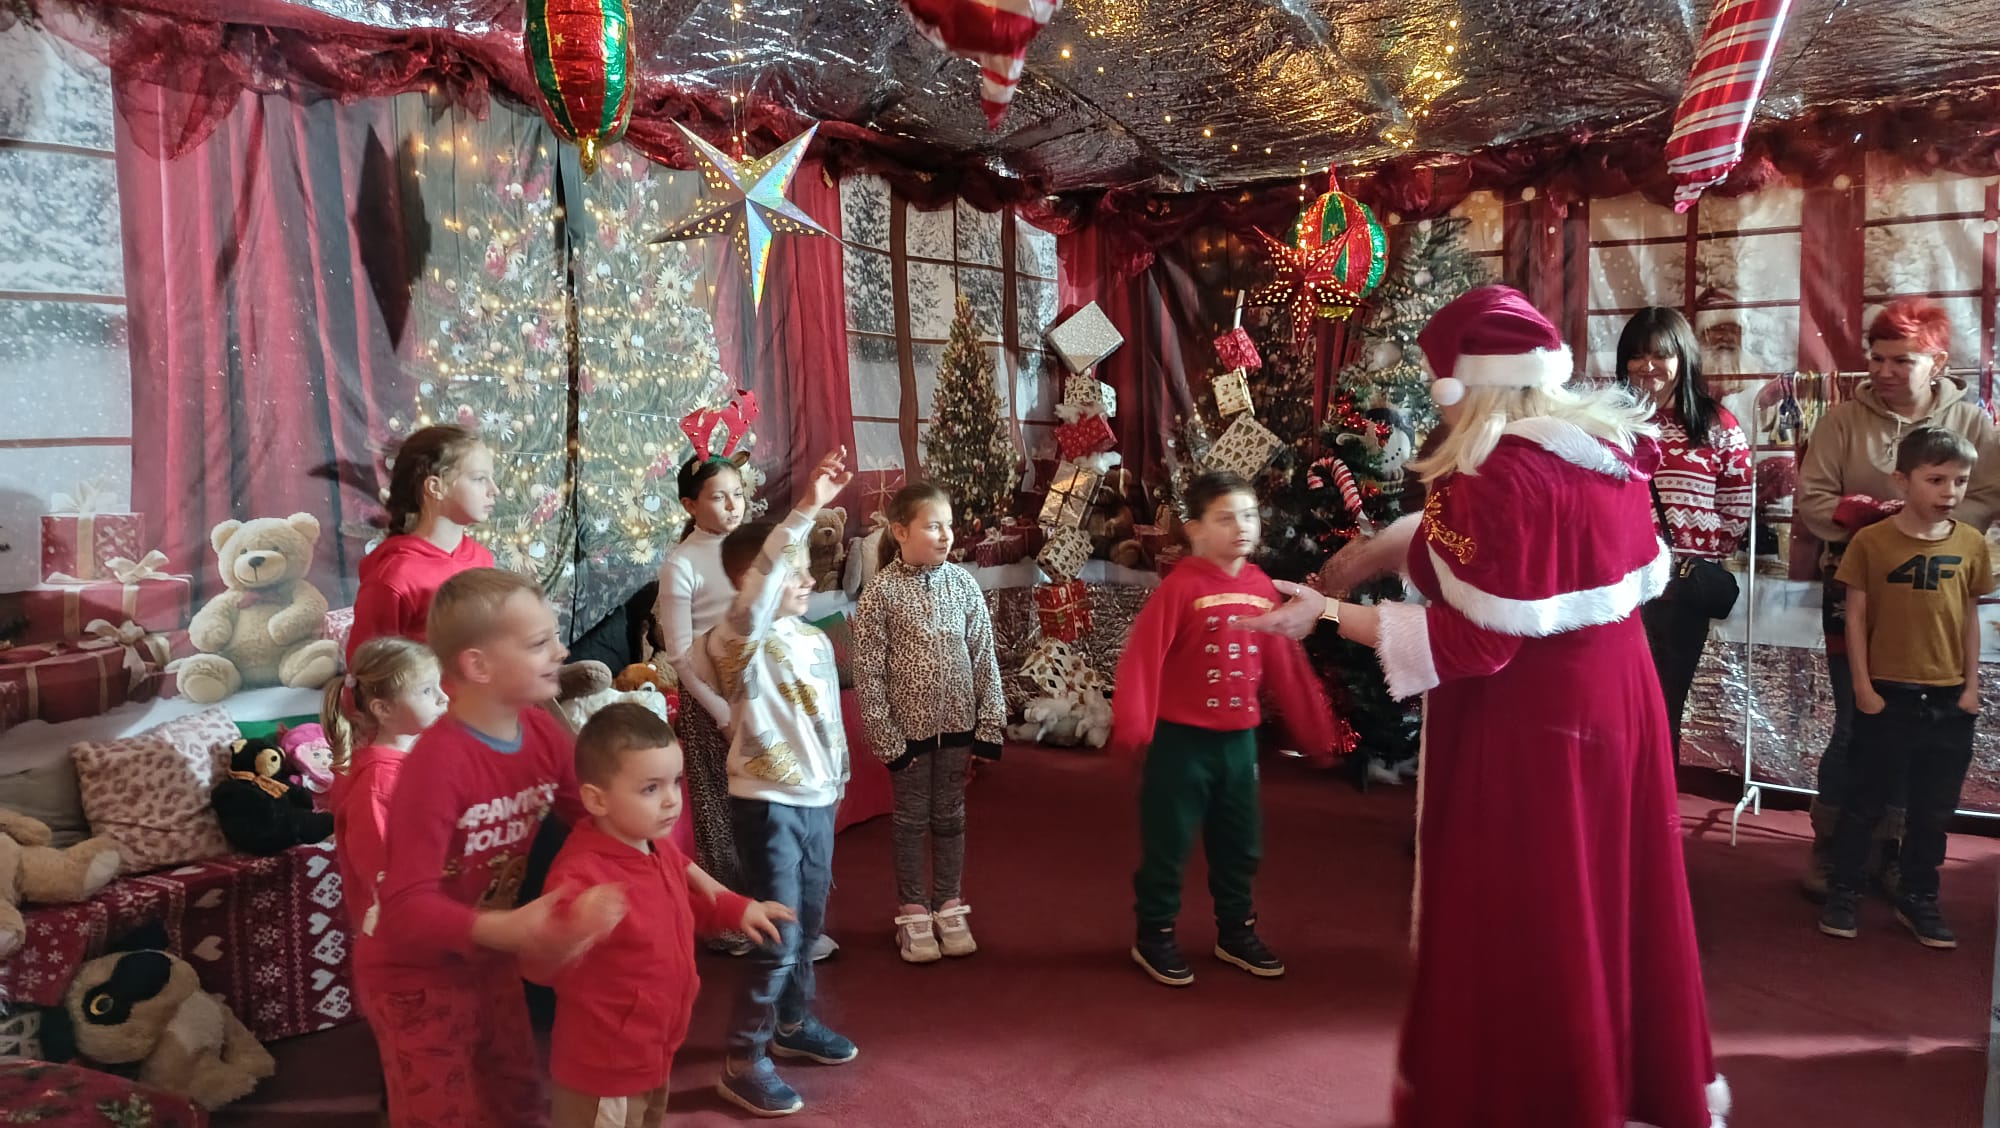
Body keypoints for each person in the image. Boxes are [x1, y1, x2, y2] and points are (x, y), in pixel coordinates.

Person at [1242, 286, 1726, 1128]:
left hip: (1533, 724)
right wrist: (1369, 556)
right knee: (1612, 901)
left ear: (1464, 385)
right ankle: (1623, 1086)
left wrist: (1324, 614)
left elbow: (1475, 640)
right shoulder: (1603, 447)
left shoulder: (1497, 476)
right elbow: (1475, 553)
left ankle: (1541, 1099)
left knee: (1532, 915)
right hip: (1616, 703)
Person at [364, 568, 622, 1128]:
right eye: (538, 643)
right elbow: (406, 906)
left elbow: (595, 823)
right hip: (417, 977)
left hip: (492, 959)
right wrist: (514, 929)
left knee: (516, 1098)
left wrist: (700, 889)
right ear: (478, 666)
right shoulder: (438, 763)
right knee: (444, 1116)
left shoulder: (543, 733)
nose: (561, 651)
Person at [1795, 298, 2000, 899]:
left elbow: (1987, 496)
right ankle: (1835, 846)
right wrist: (1883, 523)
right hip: (1856, 590)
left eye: (1901, 360)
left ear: (1937, 363)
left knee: (1920, 732)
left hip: (1937, 599)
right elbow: (1812, 500)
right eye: (1877, 358)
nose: (1883, 371)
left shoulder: (1973, 424)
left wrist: (1925, 525)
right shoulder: (1841, 422)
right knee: (1856, 723)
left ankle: (1894, 851)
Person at [1111, 470, 1337, 989]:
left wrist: (1314, 729)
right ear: (1195, 529)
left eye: (1249, 515)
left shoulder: (1261, 588)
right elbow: (1142, 658)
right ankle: (1155, 933)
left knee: (1240, 840)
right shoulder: (1180, 588)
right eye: (1226, 518)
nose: (1242, 527)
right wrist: (1134, 725)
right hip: (1181, 744)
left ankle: (1236, 930)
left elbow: (1286, 664)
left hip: (1239, 744)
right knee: (1169, 842)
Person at [530, 703, 794, 1128]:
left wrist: (735, 908)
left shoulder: (654, 846)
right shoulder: (581, 874)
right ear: (596, 799)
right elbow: (537, 963)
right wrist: (572, 928)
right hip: (605, 1071)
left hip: (654, 1051)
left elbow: (678, 907)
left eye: (676, 781)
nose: (672, 799)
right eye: (650, 788)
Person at [701, 448, 858, 1118]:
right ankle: (744, 1058)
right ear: (753, 582)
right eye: (793, 570)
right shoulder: (737, 640)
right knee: (779, 932)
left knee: (811, 923)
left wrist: (838, 779)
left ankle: (791, 1024)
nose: (806, 577)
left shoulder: (811, 639)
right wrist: (807, 508)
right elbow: (767, 576)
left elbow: (827, 720)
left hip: (817, 802)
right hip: (767, 805)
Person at [1818, 426, 1991, 949]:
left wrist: (1970, 688)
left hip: (1948, 698)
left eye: (1960, 481)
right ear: (1902, 480)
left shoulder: (1971, 543)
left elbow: (1969, 619)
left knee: (1932, 812)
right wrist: (1863, 687)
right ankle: (1844, 890)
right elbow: (1854, 618)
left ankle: (1919, 895)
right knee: (1865, 802)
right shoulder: (1871, 543)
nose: (1949, 492)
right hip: (1888, 693)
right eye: (1935, 480)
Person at [851, 482, 1006, 963]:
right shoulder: (881, 593)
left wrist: (989, 725)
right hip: (908, 738)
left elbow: (984, 657)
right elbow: (869, 673)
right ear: (900, 532)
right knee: (911, 821)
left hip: (959, 728)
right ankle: (914, 911)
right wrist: (886, 739)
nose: (945, 535)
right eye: (933, 526)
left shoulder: (963, 585)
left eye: (948, 526)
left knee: (951, 817)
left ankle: (949, 904)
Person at [1616, 307, 1753, 749]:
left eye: (1660, 354)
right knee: (1613, 706)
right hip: (1616, 587)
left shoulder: (1717, 425)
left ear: (1683, 358)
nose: (1647, 366)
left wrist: (1701, 551)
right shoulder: (1609, 423)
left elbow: (1736, 503)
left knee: (1662, 708)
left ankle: (1656, 793)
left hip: (1678, 591)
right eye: (1636, 355)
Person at [654, 451, 753, 952]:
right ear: (691, 505)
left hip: (762, 692)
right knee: (722, 811)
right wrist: (721, 712)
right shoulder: (682, 563)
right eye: (719, 497)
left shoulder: (751, 548)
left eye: (738, 494)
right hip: (713, 702)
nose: (733, 506)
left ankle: (777, 907)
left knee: (770, 807)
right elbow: (679, 655)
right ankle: (729, 920)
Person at [324, 637, 447, 938]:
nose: (443, 698)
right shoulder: (378, 783)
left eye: (439, 686)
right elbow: (382, 873)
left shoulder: (418, 756)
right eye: (427, 690)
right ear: (383, 709)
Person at [348, 424, 498, 663]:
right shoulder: (395, 576)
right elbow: (366, 667)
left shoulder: (482, 558)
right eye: (480, 479)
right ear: (435, 487)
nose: (495, 490)